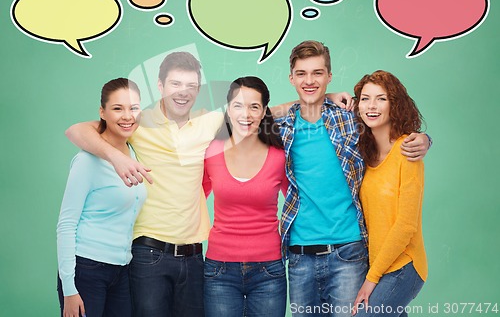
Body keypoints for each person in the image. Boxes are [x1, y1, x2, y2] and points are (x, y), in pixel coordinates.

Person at [65, 51, 351, 316]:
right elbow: (77, 130)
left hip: (196, 256)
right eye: (175, 83)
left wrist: (324, 97)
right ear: (160, 86)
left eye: (190, 85)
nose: (183, 92)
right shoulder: (138, 123)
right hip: (149, 251)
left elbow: (259, 112)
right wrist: (116, 157)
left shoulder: (211, 125)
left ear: (198, 90)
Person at [275, 41, 431, 317]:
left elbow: (392, 131)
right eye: (301, 74)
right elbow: (235, 120)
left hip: (348, 252)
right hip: (299, 256)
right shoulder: (280, 126)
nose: (309, 81)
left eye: (318, 74)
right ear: (291, 78)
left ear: (329, 76)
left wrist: (426, 140)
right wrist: (316, 97)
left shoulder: (349, 121)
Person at [57, 78, 147, 317]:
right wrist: (69, 288)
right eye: (118, 108)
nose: (127, 116)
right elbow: (66, 224)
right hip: (87, 270)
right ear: (102, 113)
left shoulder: (135, 151)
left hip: (122, 270)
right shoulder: (87, 160)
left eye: (133, 108)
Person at [203, 76, 288, 317]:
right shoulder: (210, 151)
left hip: (268, 271)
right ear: (228, 110)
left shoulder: (279, 156)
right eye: (238, 105)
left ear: (264, 112)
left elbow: (298, 204)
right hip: (219, 270)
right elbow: (193, 198)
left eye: (254, 106)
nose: (246, 114)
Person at [352, 71, 427, 316]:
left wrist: (371, 279)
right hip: (376, 265)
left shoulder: (408, 151)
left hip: (404, 265)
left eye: (381, 99)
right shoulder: (363, 152)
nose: (371, 106)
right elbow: (314, 104)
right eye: (365, 98)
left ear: (395, 105)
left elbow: (405, 226)